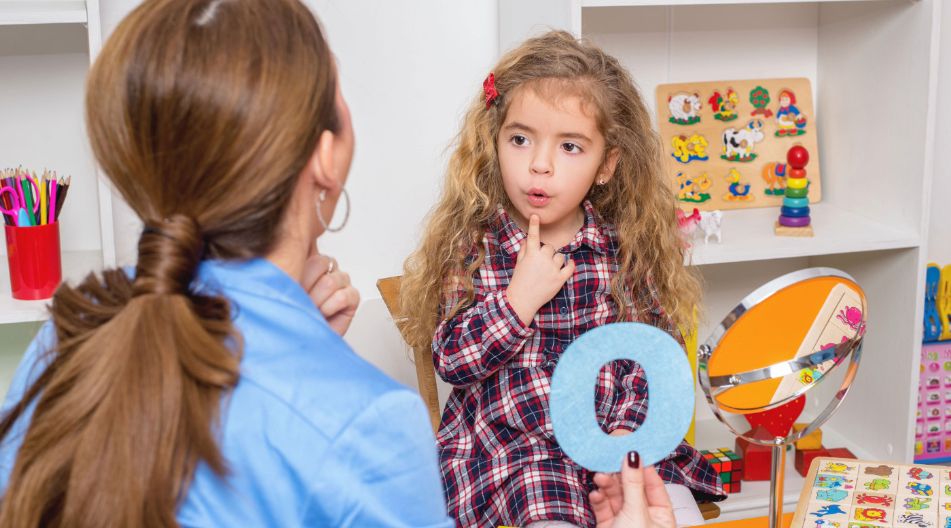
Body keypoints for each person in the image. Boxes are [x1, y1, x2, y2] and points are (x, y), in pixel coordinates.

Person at [0, 0, 451, 526]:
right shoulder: (372, 426)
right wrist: (299, 358)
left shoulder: (63, 344)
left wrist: (284, 336)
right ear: (326, 157)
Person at [399, 31, 726, 528]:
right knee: (548, 512)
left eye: (570, 146)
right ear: (495, 140)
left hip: (612, 442)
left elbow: (654, 354)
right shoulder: (474, 247)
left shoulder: (624, 249)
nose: (539, 164)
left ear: (606, 165)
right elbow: (452, 360)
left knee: (673, 510)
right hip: (516, 453)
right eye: (520, 139)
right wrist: (516, 301)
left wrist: (625, 434)